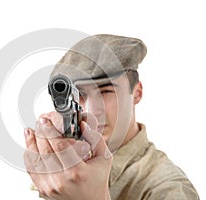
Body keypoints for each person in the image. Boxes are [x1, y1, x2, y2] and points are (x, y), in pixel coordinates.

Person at [23, 34, 199, 199]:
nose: (92, 110)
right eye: (80, 95)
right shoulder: (64, 170)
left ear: (137, 93)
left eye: (106, 91)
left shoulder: (168, 189)